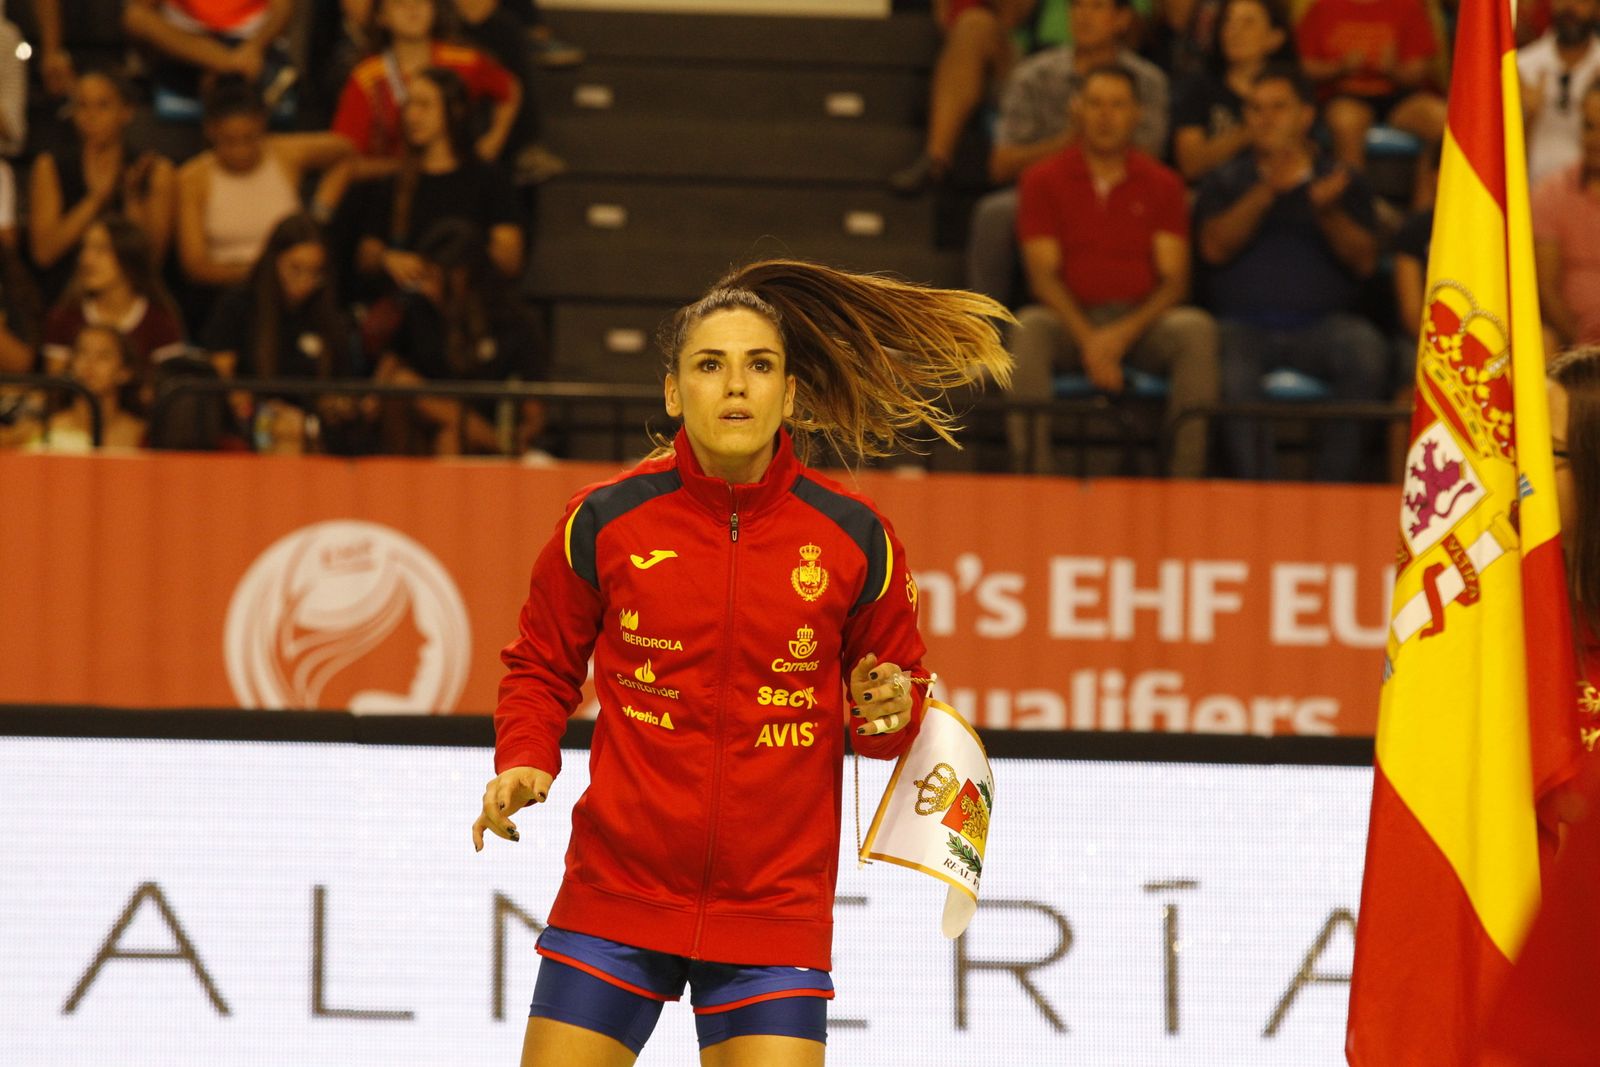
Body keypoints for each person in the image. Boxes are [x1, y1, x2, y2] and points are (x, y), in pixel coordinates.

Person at [469, 259, 1013, 1067]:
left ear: (789, 394)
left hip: (775, 910)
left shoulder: (856, 538)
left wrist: (887, 707)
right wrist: (523, 760)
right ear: (671, 391)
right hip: (616, 894)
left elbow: (896, 719)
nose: (736, 386)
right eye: (710, 365)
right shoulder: (604, 521)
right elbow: (541, 666)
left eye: (759, 365)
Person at [1008, 64, 1219, 475]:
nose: (1106, 116)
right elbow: (1043, 278)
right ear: (1077, 111)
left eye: (1118, 105)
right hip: (1069, 319)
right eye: (1095, 104)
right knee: (1027, 327)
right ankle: (1033, 476)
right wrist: (1090, 341)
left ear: (1137, 114)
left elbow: (1175, 281)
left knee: (1196, 330)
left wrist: (1119, 338)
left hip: (1141, 322)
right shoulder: (1041, 180)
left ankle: (1185, 482)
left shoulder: (1163, 184)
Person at [1194, 65, 1388, 480]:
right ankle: (1259, 491)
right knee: (1227, 362)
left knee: (1366, 350)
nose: (1265, 118)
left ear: (1305, 116)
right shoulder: (1226, 178)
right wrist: (1268, 190)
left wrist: (1328, 211)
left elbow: (1365, 259)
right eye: (1256, 109)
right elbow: (1213, 247)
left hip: (1323, 329)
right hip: (1242, 328)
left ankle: (1330, 489)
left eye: (1278, 108)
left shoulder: (1340, 180)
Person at [968, 0, 1169, 305]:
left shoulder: (1148, 81)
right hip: (1046, 191)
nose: (1083, 16)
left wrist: (1096, 146)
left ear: (1122, 19)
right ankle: (983, 329)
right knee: (995, 213)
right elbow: (1001, 165)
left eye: (1096, 7)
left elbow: (1151, 158)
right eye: (1076, 7)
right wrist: (1069, 142)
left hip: (1122, 189)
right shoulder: (1032, 75)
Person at [366, 218, 542, 455]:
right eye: (425, 275)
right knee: (404, 385)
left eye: (436, 277)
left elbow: (534, 411)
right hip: (418, 433)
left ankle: (493, 443)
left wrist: (522, 435)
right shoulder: (420, 310)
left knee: (449, 436)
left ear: (464, 274)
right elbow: (389, 370)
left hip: (483, 437)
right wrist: (369, 402)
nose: (427, 287)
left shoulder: (512, 320)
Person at [201, 212, 362, 454]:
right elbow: (222, 380)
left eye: (314, 272)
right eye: (295, 269)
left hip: (312, 424)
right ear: (273, 261)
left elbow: (339, 386)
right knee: (288, 432)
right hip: (253, 421)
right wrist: (262, 410)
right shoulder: (238, 306)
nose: (304, 282)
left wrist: (337, 405)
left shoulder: (329, 317)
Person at [175, 75, 352, 292]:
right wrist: (264, 273)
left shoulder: (285, 153)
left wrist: (318, 216)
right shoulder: (193, 178)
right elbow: (195, 266)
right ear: (210, 131)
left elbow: (344, 151)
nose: (241, 151)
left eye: (250, 138)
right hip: (232, 290)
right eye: (229, 141)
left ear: (262, 124)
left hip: (296, 285)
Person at [354, 67, 524, 292]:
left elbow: (510, 260)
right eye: (409, 105)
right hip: (410, 300)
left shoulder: (487, 177)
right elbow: (367, 251)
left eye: (424, 105)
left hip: (469, 298)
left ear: (455, 110)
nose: (412, 115)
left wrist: (453, 263)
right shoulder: (396, 181)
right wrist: (388, 258)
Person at [28, 70, 177, 303]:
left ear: (127, 112)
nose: (90, 116)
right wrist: (96, 198)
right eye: (82, 105)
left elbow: (151, 261)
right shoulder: (50, 165)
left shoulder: (154, 170)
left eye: (103, 105)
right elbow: (44, 252)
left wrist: (132, 198)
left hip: (134, 298)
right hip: (66, 296)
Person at [330, 0, 521, 180]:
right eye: (401, 3)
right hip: (389, 187)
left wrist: (493, 142)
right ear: (382, 16)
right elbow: (343, 157)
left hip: (457, 181)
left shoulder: (462, 60)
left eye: (422, 1)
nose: (413, 9)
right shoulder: (367, 77)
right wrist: (406, 169)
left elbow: (510, 88)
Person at [888, 0, 1037, 195]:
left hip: (1063, 59)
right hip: (1013, 61)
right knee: (973, 25)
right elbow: (946, 23)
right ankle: (936, 161)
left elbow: (1014, 16)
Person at [1295, 0, 1446, 171]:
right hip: (1343, 94)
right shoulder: (1323, 7)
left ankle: (1427, 196)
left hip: (1397, 94)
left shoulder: (1409, 6)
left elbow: (1417, 73)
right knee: (1346, 120)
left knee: (1441, 119)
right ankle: (1355, 194)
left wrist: (1392, 69)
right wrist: (1341, 68)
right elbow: (1304, 67)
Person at [40, 215, 186, 380]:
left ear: (129, 257)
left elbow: (168, 389)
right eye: (84, 249)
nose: (86, 259)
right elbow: (57, 389)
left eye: (101, 250)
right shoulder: (64, 318)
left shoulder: (160, 321)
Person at [1169, 0, 1295, 184]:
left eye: (1248, 23)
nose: (1234, 32)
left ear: (1274, 38)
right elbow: (1190, 165)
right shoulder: (1198, 87)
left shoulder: (1291, 88)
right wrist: (1251, 131)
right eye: (1228, 22)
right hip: (1212, 196)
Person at [1535, 81, 1600, 355]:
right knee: (1539, 342)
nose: (1594, 139)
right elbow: (1546, 289)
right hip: (1568, 342)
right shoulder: (1550, 193)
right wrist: (1584, 352)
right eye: (1588, 126)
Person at [1520, 0, 1600, 188]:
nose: (1571, 6)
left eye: (1581, 2)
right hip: (1529, 192)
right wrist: (1527, 117)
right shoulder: (1521, 67)